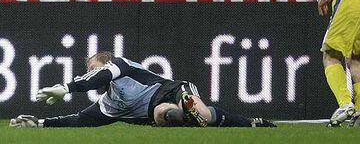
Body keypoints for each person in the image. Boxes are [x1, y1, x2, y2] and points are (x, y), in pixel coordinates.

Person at [9, 51, 276, 128]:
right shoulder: (108, 105)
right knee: (163, 115)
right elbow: (78, 120)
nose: (90, 73)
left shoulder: (119, 65)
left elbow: (97, 77)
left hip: (170, 89)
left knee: (202, 116)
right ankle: (185, 114)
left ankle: (248, 122)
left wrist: (67, 87)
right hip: (156, 108)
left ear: (105, 62)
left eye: (92, 67)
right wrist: (40, 123)